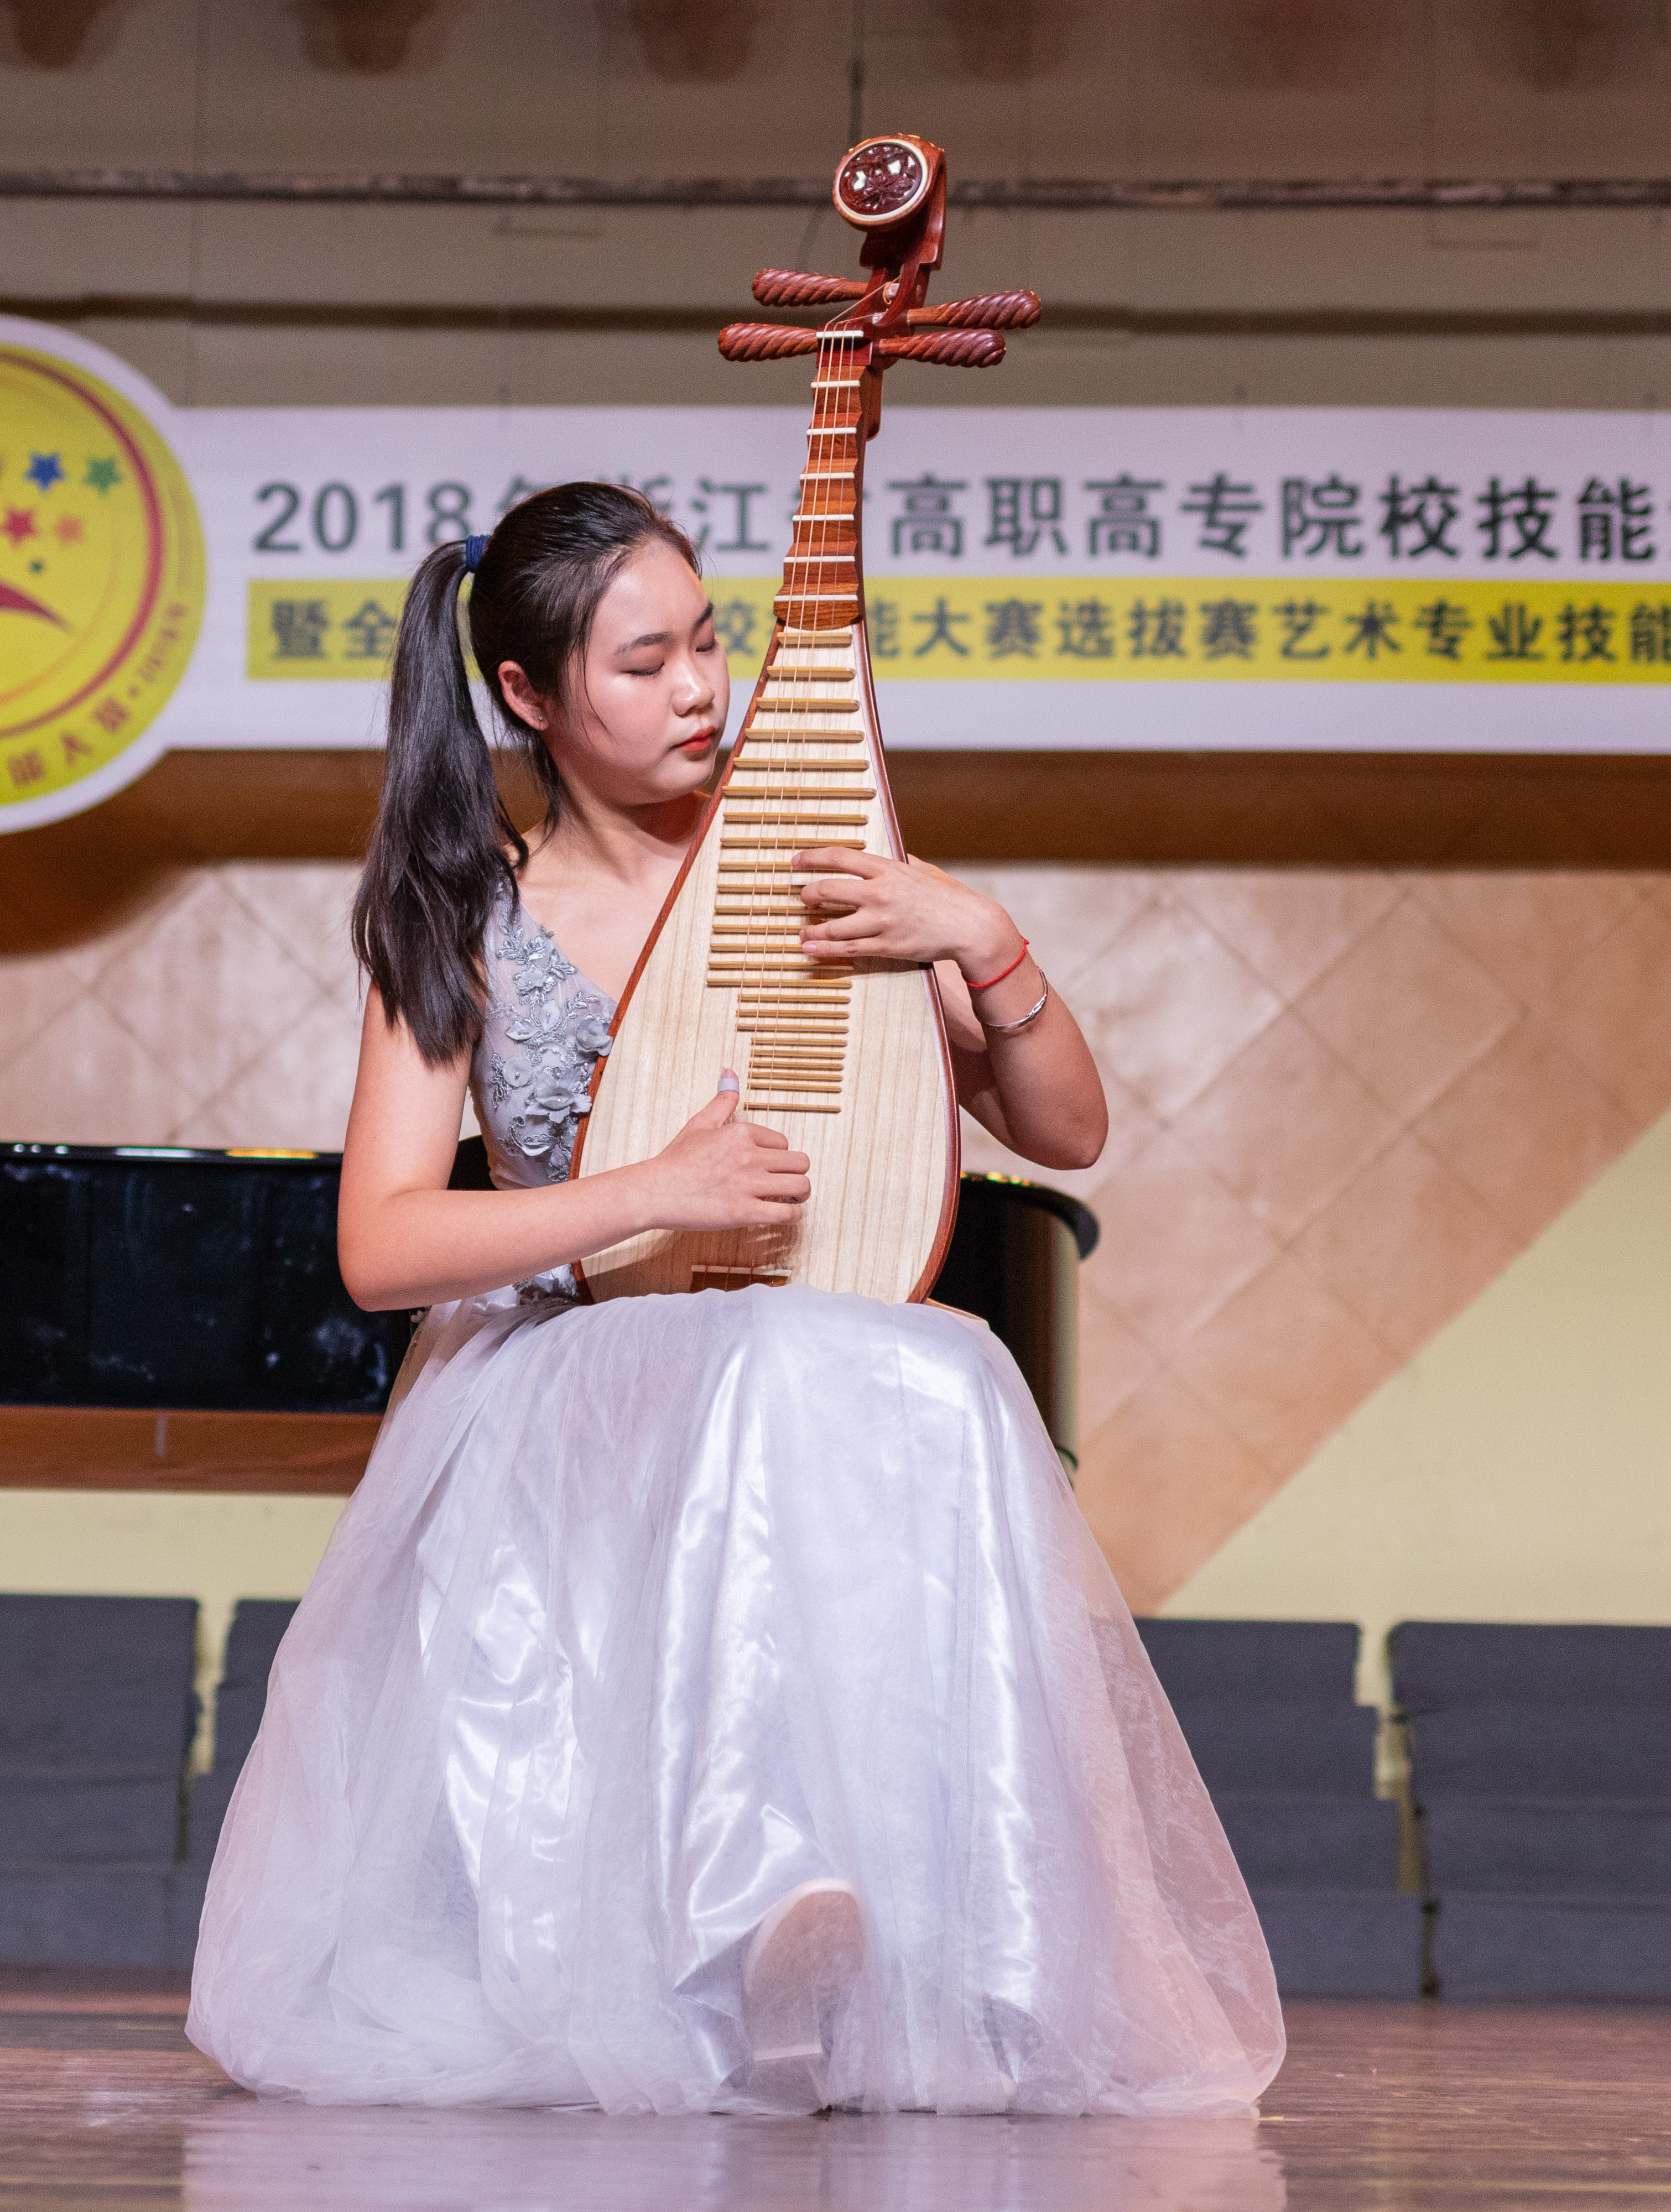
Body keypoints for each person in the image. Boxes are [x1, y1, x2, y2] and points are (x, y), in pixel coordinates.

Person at [184, 483, 1283, 2116]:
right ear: (527, 696)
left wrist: (983, 940)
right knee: (777, 1366)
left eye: (711, 642)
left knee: (919, 1374)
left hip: (790, 1377)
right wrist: (652, 1195)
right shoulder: (464, 918)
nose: (703, 689)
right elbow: (382, 1245)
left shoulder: (812, 870)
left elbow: (1064, 1134)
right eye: (645, 664)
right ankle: (739, 1916)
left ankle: (839, 1919)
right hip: (567, 1385)